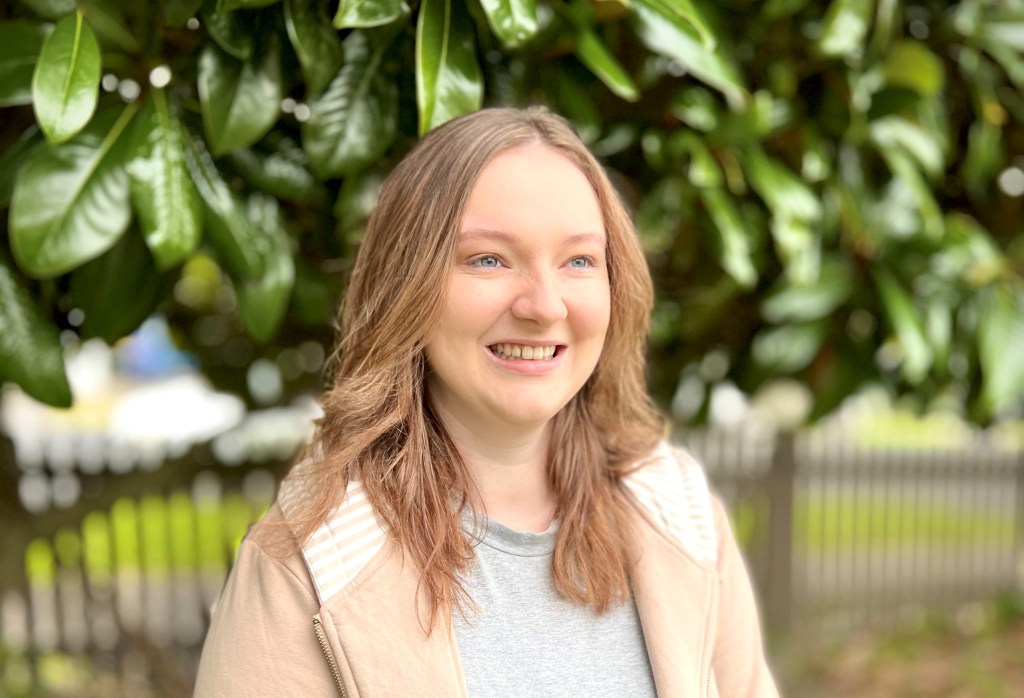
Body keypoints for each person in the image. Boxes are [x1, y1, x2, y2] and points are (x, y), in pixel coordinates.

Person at [194, 107, 779, 697]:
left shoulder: (680, 514)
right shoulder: (308, 562)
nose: (544, 306)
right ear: (407, 286)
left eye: (579, 260)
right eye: (488, 259)